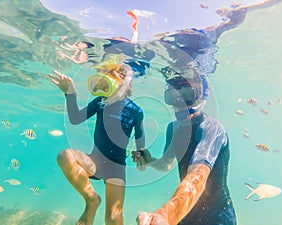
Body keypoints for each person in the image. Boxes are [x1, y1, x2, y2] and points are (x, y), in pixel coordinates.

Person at [133, 64, 236, 225]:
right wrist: (150, 160)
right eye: (173, 96)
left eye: (188, 96)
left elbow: (197, 178)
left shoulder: (212, 129)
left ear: (202, 95)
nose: (180, 104)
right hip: (185, 215)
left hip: (218, 218)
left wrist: (166, 216)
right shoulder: (173, 129)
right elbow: (166, 164)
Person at [48, 61, 148, 225]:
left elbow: (140, 137)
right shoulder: (100, 102)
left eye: (107, 82)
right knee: (65, 156)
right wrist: (70, 93)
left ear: (123, 83)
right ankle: (92, 200)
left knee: (113, 217)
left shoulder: (136, 110)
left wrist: (140, 153)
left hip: (116, 168)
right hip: (94, 162)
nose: (103, 89)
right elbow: (75, 118)